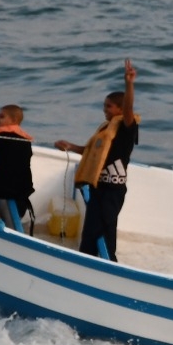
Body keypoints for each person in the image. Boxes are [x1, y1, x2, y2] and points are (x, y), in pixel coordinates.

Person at [54, 59, 138, 261]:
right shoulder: (104, 129)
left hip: (113, 191)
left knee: (107, 230)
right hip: (98, 187)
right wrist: (70, 146)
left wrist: (129, 84)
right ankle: (86, 261)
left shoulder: (127, 128)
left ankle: (111, 265)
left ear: (120, 109)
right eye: (104, 106)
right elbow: (91, 153)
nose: (105, 110)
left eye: (109, 107)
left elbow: (129, 109)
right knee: (90, 232)